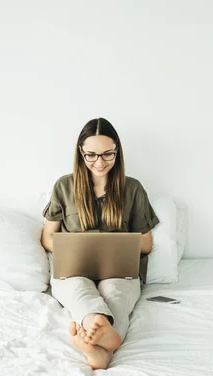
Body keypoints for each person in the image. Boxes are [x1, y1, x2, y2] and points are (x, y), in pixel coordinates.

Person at [40, 117, 160, 369]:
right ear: (80, 153)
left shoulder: (132, 188)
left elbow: (146, 243)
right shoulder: (64, 186)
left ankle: (97, 342)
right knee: (79, 292)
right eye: (91, 155)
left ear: (117, 151)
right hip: (73, 269)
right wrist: (74, 248)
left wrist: (112, 246)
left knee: (115, 295)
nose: (100, 162)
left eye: (107, 154)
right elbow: (47, 237)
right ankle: (101, 334)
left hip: (119, 271)